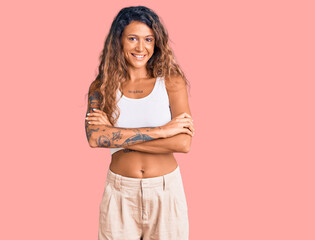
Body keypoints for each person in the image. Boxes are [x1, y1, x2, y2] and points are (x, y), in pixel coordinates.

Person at [85, 6, 195, 240]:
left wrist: (115, 135)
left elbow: (183, 143)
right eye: (132, 38)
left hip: (165, 192)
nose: (141, 47)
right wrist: (162, 132)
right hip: (119, 192)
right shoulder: (101, 88)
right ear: (119, 42)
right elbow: (95, 138)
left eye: (148, 39)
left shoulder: (171, 82)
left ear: (156, 43)